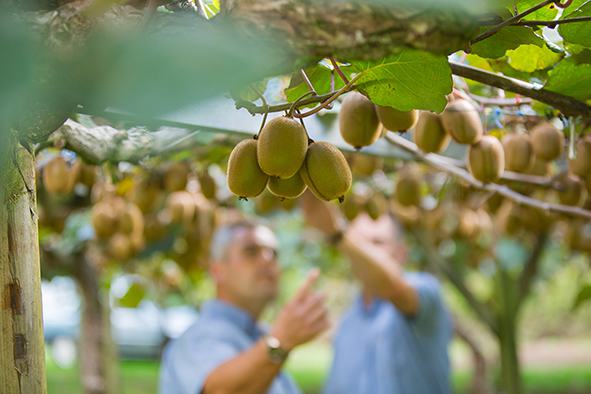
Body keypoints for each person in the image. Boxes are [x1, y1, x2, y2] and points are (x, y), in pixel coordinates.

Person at [302, 194, 453, 394]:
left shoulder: (426, 290)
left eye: (377, 243)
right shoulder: (349, 320)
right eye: (360, 243)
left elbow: (393, 288)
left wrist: (338, 234)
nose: (363, 252)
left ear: (401, 252)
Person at [159, 220, 329, 394]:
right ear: (218, 270)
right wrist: (281, 341)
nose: (267, 259)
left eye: (274, 253)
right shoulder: (199, 337)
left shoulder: (259, 337)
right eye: (251, 251)